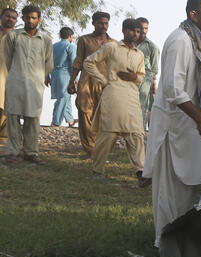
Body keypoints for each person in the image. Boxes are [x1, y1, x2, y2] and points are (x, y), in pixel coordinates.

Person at [144, 0, 201, 245]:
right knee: (172, 190)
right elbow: (171, 88)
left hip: (198, 127)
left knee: (199, 184)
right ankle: (166, 241)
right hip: (177, 126)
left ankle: (191, 239)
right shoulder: (180, 40)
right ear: (194, 15)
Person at [84, 19, 148, 183]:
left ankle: (141, 171)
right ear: (124, 30)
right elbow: (89, 62)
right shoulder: (111, 47)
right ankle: (97, 170)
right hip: (113, 93)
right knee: (108, 133)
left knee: (136, 134)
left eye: (138, 31)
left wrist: (135, 77)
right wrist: (103, 80)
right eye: (132, 30)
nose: (136, 34)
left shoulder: (139, 54)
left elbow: (141, 76)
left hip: (132, 95)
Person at [2, 5, 53, 163]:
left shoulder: (45, 39)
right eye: (27, 17)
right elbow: (8, 60)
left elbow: (48, 62)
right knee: (13, 116)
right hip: (15, 81)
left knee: (33, 118)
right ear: (23, 18)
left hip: (35, 84)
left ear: (39, 20)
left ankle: (31, 152)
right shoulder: (13, 36)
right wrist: (18, 73)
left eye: (34, 18)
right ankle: (13, 152)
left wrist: (39, 77)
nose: (30, 20)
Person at [69, 11, 114, 157]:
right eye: (101, 22)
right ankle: (89, 148)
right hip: (86, 81)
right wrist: (71, 81)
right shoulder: (84, 40)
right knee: (84, 112)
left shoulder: (113, 43)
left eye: (106, 23)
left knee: (104, 114)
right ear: (94, 23)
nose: (103, 26)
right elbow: (78, 61)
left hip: (106, 82)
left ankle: (101, 148)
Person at [49, 27, 77, 126]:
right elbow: (73, 63)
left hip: (54, 74)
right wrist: (76, 79)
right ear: (70, 36)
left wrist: (47, 76)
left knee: (66, 97)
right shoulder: (70, 46)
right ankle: (55, 122)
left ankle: (70, 120)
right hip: (65, 74)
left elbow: (47, 61)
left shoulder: (53, 46)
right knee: (63, 97)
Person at [136, 16, 159, 129]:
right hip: (128, 79)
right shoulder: (127, 44)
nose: (144, 31)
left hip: (145, 80)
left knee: (142, 106)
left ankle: (140, 130)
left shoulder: (152, 47)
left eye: (146, 28)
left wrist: (153, 86)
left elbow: (154, 69)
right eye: (141, 28)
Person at [0, 6, 19, 142]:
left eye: (13, 18)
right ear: (1, 17)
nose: (10, 19)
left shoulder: (19, 37)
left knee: (8, 106)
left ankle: (4, 138)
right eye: (8, 16)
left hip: (11, 76)